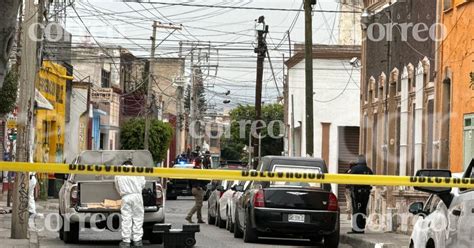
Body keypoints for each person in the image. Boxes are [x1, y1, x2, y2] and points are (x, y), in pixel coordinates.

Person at [115, 160, 146, 248]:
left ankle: (126, 241)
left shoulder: (118, 172)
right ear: (131, 165)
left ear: (123, 165)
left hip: (125, 196)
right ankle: (137, 240)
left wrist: (122, 193)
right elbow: (143, 184)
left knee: (126, 218)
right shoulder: (138, 170)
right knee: (138, 218)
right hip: (137, 196)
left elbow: (117, 186)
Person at [347, 155, 373, 234]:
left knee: (356, 210)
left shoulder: (354, 169)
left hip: (356, 193)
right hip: (366, 193)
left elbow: (348, 179)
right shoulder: (368, 170)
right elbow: (373, 179)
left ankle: (356, 229)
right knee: (363, 209)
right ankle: (361, 228)